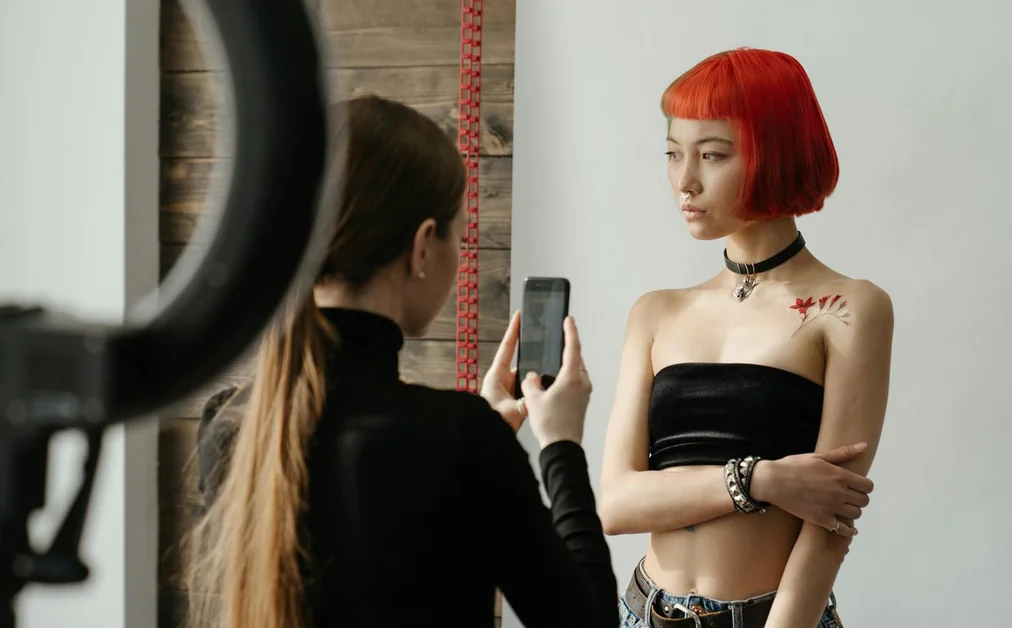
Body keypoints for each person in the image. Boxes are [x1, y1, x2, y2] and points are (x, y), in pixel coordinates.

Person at [184, 95, 618, 628]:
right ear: (422, 247)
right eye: (460, 235)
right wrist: (561, 447)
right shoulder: (464, 440)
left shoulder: (228, 423)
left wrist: (480, 444)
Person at [599, 48, 894, 628]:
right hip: (640, 612)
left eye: (711, 155)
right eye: (673, 154)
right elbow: (615, 504)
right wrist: (761, 479)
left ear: (773, 155)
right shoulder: (655, 313)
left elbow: (829, 525)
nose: (685, 181)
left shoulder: (850, 308)